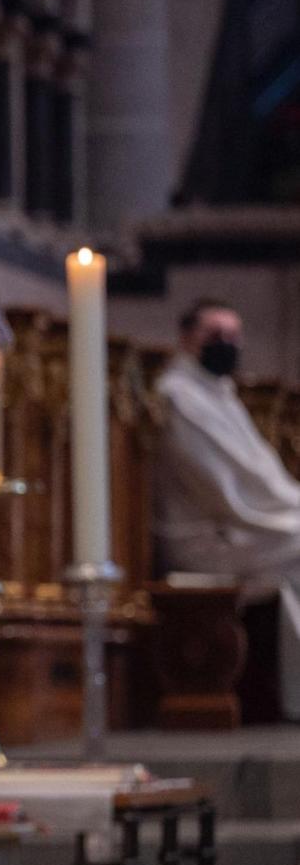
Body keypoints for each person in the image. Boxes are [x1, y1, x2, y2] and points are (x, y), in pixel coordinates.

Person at [154, 298, 300, 719]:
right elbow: (228, 488)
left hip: (240, 530)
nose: (226, 344)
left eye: (233, 336)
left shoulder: (219, 393)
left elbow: (261, 473)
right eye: (215, 334)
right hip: (204, 539)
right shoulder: (179, 395)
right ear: (186, 338)